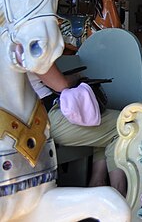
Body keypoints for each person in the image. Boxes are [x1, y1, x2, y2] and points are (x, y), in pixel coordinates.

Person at [30, 65, 126, 194]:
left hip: (30, 121)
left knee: (100, 125)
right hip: (46, 117)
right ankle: (119, 193)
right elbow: (61, 84)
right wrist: (76, 77)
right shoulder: (27, 47)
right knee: (125, 124)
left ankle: (97, 183)